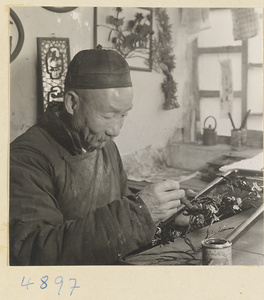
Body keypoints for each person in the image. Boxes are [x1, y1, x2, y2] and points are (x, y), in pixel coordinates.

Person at [10, 49, 190, 265]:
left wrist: (166, 216)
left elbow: (122, 208)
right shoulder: (26, 159)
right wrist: (140, 213)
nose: (116, 129)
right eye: (107, 115)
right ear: (72, 103)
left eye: (123, 114)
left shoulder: (105, 146)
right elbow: (35, 252)